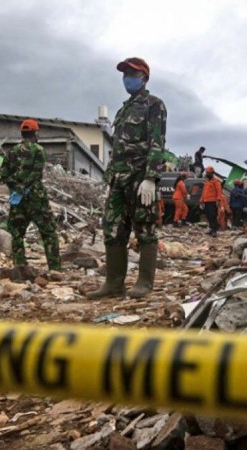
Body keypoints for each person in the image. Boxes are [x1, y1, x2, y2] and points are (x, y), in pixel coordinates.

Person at [87, 57, 167, 300]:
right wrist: (110, 179)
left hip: (139, 176)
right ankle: (114, 283)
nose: (127, 78)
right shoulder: (123, 110)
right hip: (119, 179)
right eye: (125, 74)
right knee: (112, 229)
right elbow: (118, 148)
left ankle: (144, 282)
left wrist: (151, 177)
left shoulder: (154, 105)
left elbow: (157, 142)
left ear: (144, 78)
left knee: (145, 228)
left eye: (132, 74)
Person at [0, 119, 61, 274]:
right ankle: (55, 268)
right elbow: (36, 173)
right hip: (36, 198)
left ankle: (19, 266)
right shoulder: (38, 150)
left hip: (18, 199)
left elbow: (4, 174)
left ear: (22, 133)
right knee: (49, 232)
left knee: (17, 233)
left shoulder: (11, 152)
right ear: (35, 133)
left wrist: (16, 187)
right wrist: (25, 187)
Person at [200, 165, 223, 236]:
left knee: (213, 216)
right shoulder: (207, 182)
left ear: (212, 173)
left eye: (208, 173)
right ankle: (211, 228)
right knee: (208, 216)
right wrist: (201, 201)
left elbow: (219, 192)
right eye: (207, 173)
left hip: (213, 202)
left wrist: (218, 200)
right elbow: (204, 192)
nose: (207, 174)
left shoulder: (216, 182)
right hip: (206, 201)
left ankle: (214, 230)